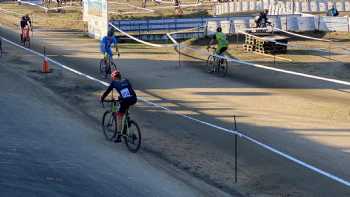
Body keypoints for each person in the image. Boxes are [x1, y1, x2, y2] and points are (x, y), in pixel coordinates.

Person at [100, 70, 137, 143]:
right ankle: (128, 128)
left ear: (113, 78)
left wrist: (102, 98)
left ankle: (119, 136)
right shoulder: (126, 80)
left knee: (119, 116)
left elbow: (107, 92)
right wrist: (121, 97)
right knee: (125, 110)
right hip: (134, 99)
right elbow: (127, 90)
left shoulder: (114, 83)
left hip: (125, 100)